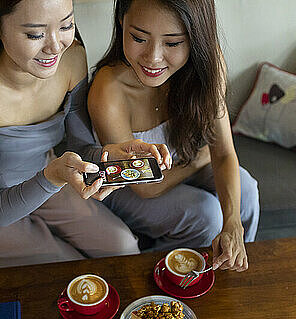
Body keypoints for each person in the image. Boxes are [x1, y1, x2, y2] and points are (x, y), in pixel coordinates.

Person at [0, 0, 171, 270]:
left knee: (124, 247)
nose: (55, 46)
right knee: (65, 267)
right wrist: (53, 176)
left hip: (50, 178)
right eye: (35, 34)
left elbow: (82, 148)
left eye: (66, 25)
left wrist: (113, 153)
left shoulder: (71, 57)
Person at [88, 0, 260, 271]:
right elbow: (145, 185)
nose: (153, 58)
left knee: (247, 189)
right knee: (205, 213)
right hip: (128, 186)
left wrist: (233, 224)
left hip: (179, 164)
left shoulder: (208, 67)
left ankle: (232, 266)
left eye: (172, 43)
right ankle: (173, 283)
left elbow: (224, 152)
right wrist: (200, 156)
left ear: (196, 38)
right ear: (122, 21)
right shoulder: (109, 89)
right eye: (138, 38)